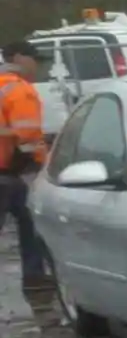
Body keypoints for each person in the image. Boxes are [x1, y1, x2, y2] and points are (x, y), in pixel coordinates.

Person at [0, 39, 51, 288]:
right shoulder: (19, 90)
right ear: (19, 58)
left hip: (8, 172)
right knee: (30, 222)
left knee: (30, 221)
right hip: (10, 172)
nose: (37, 67)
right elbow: (28, 139)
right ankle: (34, 276)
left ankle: (35, 275)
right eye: (34, 59)